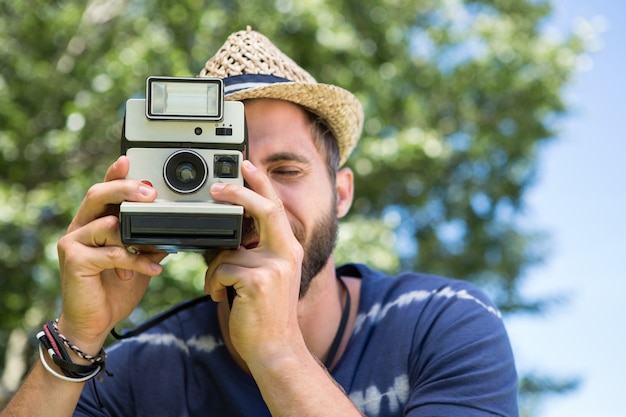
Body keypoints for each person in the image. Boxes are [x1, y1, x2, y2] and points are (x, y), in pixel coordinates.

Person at [1, 28, 518, 416]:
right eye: (218, 171)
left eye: (285, 170)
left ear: (341, 193)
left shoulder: (442, 323)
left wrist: (277, 350)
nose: (256, 197)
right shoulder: (143, 366)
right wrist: (77, 337)